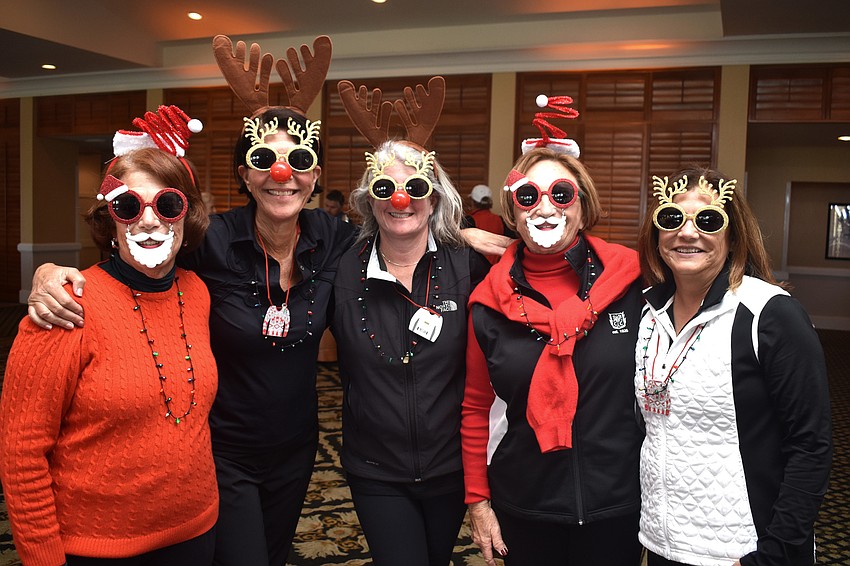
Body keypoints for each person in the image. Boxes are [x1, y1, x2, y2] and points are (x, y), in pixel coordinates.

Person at [25, 37, 511, 566]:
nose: (283, 174)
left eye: (299, 159)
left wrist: (461, 233)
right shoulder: (207, 241)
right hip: (222, 452)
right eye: (265, 159)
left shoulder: (336, 241)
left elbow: (399, 221)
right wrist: (50, 273)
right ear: (244, 174)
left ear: (315, 176)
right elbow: (137, 251)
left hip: (298, 449)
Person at [0, 106, 219, 565]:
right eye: (128, 205)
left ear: (186, 215)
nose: (149, 220)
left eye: (168, 204)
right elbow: (22, 455)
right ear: (110, 218)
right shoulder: (65, 305)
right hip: (98, 547)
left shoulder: (197, 293)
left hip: (196, 530)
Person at [461, 94, 644, 566]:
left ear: (583, 205)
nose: (545, 207)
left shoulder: (633, 285)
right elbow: (477, 407)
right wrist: (478, 502)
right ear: (513, 211)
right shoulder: (487, 304)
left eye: (561, 194)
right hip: (525, 506)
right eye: (528, 196)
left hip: (618, 506)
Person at [634, 167, 832, 566]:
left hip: (743, 551)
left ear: (733, 232)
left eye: (707, 220)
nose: (687, 233)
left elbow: (811, 446)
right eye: (671, 218)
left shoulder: (771, 315)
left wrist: (776, 553)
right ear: (656, 232)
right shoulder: (647, 312)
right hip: (662, 543)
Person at [333, 77, 490, 565]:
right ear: (369, 198)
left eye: (415, 186)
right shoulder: (339, 267)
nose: (400, 199)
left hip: (450, 468)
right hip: (375, 469)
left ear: (435, 197)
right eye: (386, 187)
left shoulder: (469, 265)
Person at [464, 184, 515, 264]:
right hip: (498, 267)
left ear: (472, 202)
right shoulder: (502, 220)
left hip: (476, 271)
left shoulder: (468, 221)